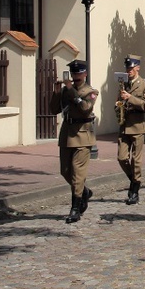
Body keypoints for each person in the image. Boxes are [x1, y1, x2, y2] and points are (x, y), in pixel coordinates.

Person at [49, 60, 98, 224]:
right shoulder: (65, 91)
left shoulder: (90, 91)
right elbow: (53, 109)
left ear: (84, 74)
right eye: (73, 74)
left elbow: (85, 108)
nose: (75, 77)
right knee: (65, 171)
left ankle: (75, 208)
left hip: (82, 135)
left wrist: (71, 91)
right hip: (67, 134)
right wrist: (56, 92)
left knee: (78, 174)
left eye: (79, 74)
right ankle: (84, 191)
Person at [115, 54, 145, 205]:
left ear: (138, 67)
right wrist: (118, 107)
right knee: (122, 157)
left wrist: (130, 98)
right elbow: (118, 101)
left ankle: (134, 190)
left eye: (131, 68)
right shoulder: (123, 83)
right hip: (124, 125)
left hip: (138, 125)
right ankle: (134, 180)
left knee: (136, 160)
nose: (128, 70)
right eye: (127, 68)